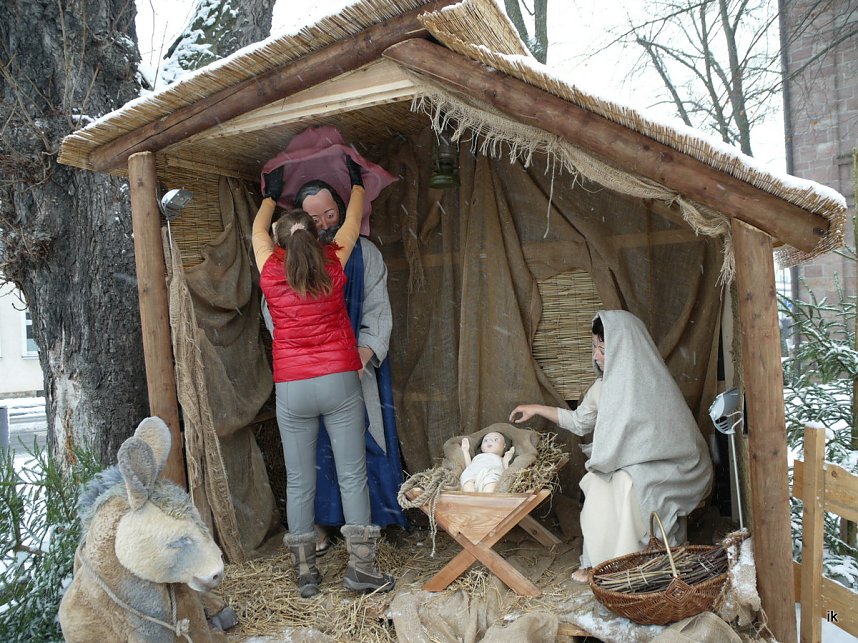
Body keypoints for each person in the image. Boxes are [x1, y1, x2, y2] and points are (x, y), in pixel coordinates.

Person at [252, 157, 394, 598]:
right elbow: (352, 222)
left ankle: (305, 573)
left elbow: (256, 233)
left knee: (299, 479)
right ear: (317, 237)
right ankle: (361, 569)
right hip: (338, 378)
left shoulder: (270, 272)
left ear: (278, 243)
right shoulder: (335, 263)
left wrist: (269, 197)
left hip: (292, 386)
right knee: (353, 474)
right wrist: (355, 186)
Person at [509, 310, 713, 583]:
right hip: (624, 463)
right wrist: (535, 408)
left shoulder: (652, 384)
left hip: (670, 464)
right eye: (594, 348)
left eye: (603, 350)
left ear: (623, 350)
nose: (596, 356)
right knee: (597, 482)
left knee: (627, 484)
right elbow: (579, 423)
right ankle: (599, 561)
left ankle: (631, 560)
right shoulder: (599, 389)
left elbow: (671, 438)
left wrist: (632, 459)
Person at [293, 180, 408, 546]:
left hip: (358, 367)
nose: (325, 224)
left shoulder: (365, 254)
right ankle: (324, 523)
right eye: (315, 218)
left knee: (366, 440)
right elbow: (278, 315)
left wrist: (361, 354)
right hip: (310, 373)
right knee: (316, 451)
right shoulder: (288, 261)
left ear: (343, 212)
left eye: (331, 214)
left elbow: (377, 308)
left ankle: (375, 520)